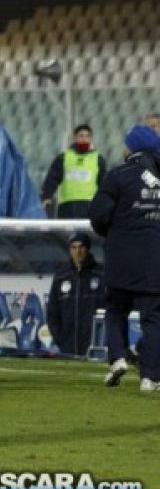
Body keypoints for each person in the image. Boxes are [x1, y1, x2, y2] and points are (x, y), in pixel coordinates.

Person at [89, 125, 160, 390]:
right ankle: (150, 377)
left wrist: (115, 233)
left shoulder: (118, 175)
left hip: (121, 257)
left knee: (115, 309)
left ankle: (118, 357)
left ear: (132, 147)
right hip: (154, 260)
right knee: (153, 319)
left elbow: (98, 216)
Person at [45, 232, 105, 356]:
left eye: (81, 247)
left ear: (87, 249)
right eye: (74, 247)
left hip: (96, 346)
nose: (78, 251)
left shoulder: (101, 274)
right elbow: (53, 313)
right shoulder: (61, 276)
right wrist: (60, 340)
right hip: (67, 347)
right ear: (70, 250)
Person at [41, 124, 107, 219]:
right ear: (75, 138)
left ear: (91, 139)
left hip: (89, 206)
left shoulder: (98, 159)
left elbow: (103, 183)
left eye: (87, 136)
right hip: (67, 206)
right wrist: (47, 196)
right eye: (81, 136)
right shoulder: (64, 158)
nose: (84, 139)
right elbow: (52, 178)